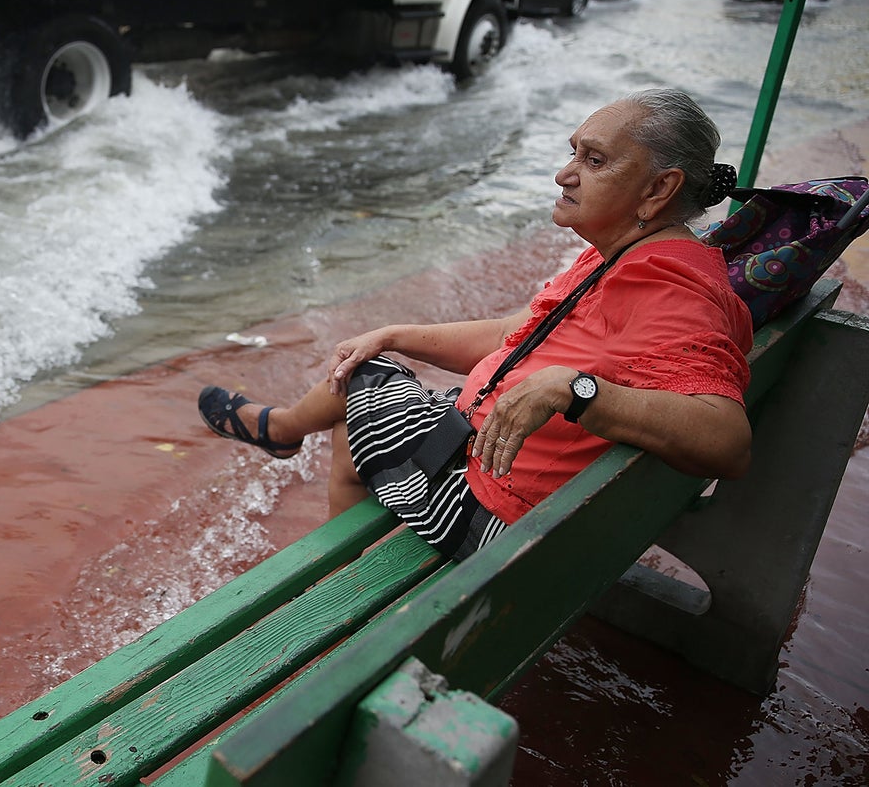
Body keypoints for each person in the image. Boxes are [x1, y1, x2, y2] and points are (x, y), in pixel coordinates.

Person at [197, 88, 754, 561]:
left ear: (659, 189)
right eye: (572, 154)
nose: (565, 175)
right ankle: (301, 467)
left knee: (361, 386)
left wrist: (575, 389)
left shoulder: (665, 285)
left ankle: (314, 520)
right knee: (372, 380)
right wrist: (395, 334)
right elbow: (517, 336)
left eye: (595, 161)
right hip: (502, 470)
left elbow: (726, 440)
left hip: (491, 513)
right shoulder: (629, 252)